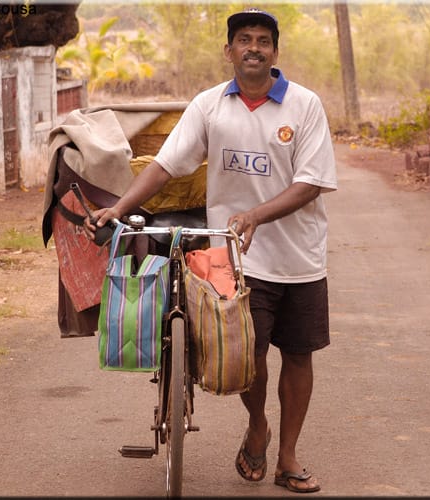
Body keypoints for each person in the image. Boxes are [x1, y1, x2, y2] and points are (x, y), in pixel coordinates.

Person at [84, 8, 336, 493]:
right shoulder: (209, 105)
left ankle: (288, 456)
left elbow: (311, 183)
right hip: (234, 257)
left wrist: (257, 215)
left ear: (275, 52)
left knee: (299, 356)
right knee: (248, 357)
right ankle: (258, 426)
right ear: (229, 51)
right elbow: (165, 165)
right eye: (244, 40)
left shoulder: (305, 106)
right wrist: (119, 207)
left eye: (263, 40)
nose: (254, 48)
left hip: (301, 255)